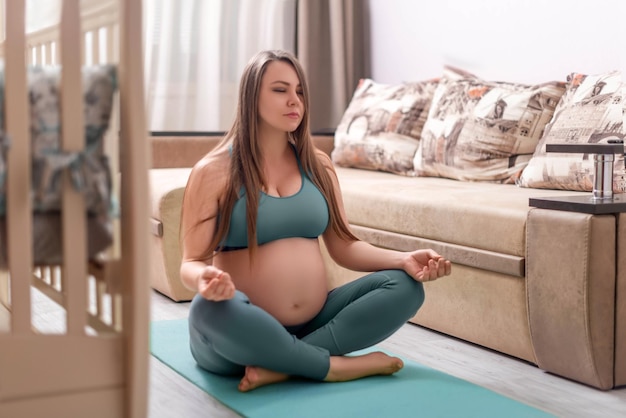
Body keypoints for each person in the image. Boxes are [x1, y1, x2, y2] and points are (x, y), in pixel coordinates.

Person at [179, 49, 452, 392]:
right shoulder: (214, 171)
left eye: (300, 91)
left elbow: (344, 246)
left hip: (311, 324)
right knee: (208, 310)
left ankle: (288, 365)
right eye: (280, 90)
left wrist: (402, 259)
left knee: (405, 286)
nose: (294, 100)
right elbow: (190, 262)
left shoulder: (318, 165)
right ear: (251, 97)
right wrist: (204, 278)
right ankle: (331, 367)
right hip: (240, 331)